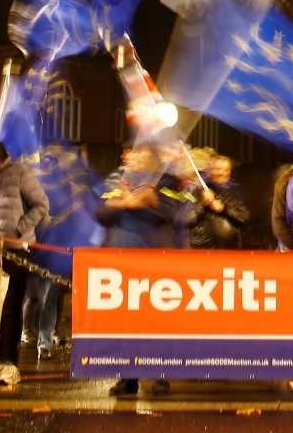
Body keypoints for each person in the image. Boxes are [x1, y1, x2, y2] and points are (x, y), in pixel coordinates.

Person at [96, 142, 179, 396]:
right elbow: (100, 213)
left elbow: (172, 214)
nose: (137, 158)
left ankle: (161, 375)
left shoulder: (167, 181)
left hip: (155, 259)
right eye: (134, 153)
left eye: (144, 153)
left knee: (158, 321)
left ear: (154, 158)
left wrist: (151, 202)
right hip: (122, 259)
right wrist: (120, 204)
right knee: (126, 322)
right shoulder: (115, 180)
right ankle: (127, 378)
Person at [0, 135, 50, 386]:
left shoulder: (20, 173)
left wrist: (18, 230)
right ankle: (1, 361)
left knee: (11, 306)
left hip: (15, 250)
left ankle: (10, 364)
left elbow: (41, 204)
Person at [186, 163, 251, 250]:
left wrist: (224, 209)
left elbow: (244, 217)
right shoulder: (198, 191)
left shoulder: (236, 191)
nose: (221, 173)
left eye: (226, 169)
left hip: (230, 249)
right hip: (204, 249)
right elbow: (187, 220)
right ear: (209, 171)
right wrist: (203, 205)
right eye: (217, 169)